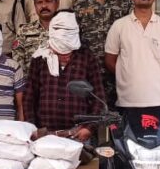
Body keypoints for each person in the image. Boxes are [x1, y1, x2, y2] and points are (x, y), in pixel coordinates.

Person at [24, 12, 105, 143]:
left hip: (78, 133)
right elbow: (29, 96)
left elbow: (98, 97)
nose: (65, 56)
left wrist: (89, 127)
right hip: (44, 133)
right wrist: (31, 127)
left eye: (68, 52)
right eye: (61, 52)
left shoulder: (87, 57)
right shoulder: (39, 58)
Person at [72, 0, 133, 105]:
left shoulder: (124, 0)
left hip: (119, 71)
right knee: (93, 114)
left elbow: (133, 33)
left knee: (121, 114)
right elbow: (74, 38)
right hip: (90, 73)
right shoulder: (79, 3)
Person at [12, 0, 59, 74]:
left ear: (57, 3)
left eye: (48, 1)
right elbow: (18, 62)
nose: (44, 6)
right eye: (39, 2)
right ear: (35, 5)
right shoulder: (24, 30)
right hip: (31, 81)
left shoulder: (67, 29)